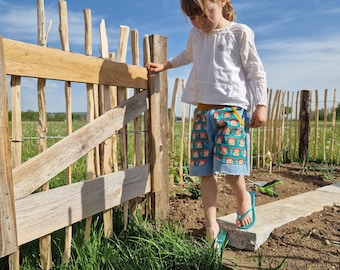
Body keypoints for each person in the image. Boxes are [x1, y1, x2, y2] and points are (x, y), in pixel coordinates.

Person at [146, 0, 267, 254]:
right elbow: (187, 55)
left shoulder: (239, 33)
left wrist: (260, 104)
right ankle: (212, 227)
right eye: (193, 17)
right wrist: (166, 65)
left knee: (232, 168)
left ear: (221, 3)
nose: (200, 21)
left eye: (205, 14)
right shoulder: (196, 35)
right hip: (203, 113)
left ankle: (243, 197)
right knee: (205, 171)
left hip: (232, 111)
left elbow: (255, 71)